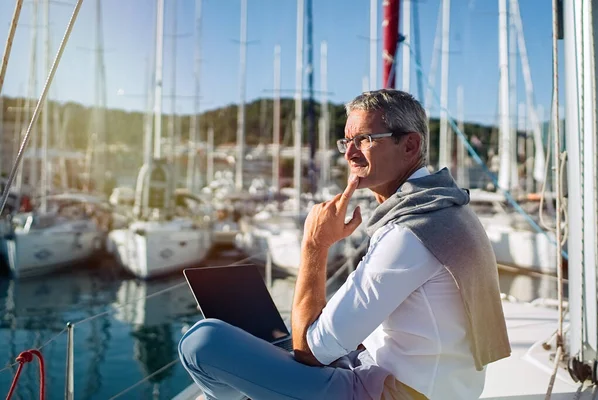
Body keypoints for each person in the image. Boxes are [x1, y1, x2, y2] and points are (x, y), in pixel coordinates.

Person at [178, 89, 511, 400]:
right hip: (429, 384)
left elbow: (310, 352)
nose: (349, 153)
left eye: (364, 139)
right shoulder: (448, 208)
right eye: (347, 140)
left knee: (202, 341)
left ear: (410, 146)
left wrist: (314, 245)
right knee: (274, 343)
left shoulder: (411, 233)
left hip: (395, 393)